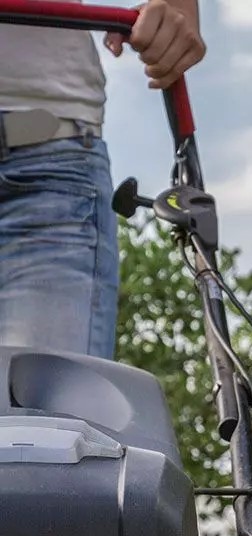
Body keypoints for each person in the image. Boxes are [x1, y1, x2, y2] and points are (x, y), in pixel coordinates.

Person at [0, 0, 205, 360]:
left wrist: (177, 11)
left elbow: (177, 11)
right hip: (49, 165)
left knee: (42, 390)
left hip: (47, 172)